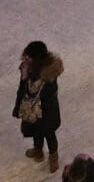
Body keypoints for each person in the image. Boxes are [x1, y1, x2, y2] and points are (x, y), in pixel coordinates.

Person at [13, 40, 65, 171]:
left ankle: (53, 157)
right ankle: (38, 151)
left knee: (49, 133)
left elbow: (37, 95)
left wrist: (26, 77)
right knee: (36, 130)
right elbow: (23, 90)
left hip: (47, 111)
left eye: (28, 57)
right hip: (33, 110)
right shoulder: (29, 69)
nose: (25, 59)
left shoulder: (49, 75)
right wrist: (24, 77)